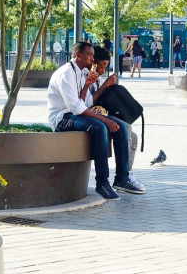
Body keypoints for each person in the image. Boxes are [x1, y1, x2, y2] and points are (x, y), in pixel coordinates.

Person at [47, 41, 145, 201]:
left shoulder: (81, 72)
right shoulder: (67, 73)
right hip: (61, 118)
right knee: (100, 127)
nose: (93, 59)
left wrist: (87, 85)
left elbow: (83, 102)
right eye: (90, 55)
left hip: (76, 114)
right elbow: (75, 106)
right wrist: (104, 120)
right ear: (78, 55)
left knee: (120, 126)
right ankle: (102, 182)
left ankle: (122, 177)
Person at [85, 46, 146, 192]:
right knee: (125, 127)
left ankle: (127, 173)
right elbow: (87, 103)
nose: (102, 70)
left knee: (134, 137)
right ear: (94, 62)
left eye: (105, 66)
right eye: (101, 66)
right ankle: (121, 177)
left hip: (101, 113)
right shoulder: (87, 77)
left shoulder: (98, 78)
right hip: (90, 115)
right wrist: (106, 84)